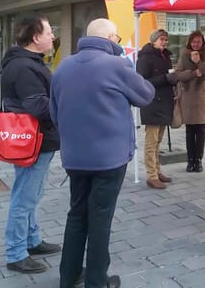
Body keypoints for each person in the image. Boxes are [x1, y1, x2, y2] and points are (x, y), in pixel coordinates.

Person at [51, 18, 154, 288]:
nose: (119, 43)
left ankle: (69, 275)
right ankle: (97, 282)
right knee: (100, 218)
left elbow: (54, 112)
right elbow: (145, 95)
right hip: (109, 158)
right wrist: (124, 59)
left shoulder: (63, 67)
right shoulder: (117, 65)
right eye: (117, 38)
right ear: (110, 37)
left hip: (74, 157)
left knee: (76, 214)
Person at [0, 15, 61, 275]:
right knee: (24, 197)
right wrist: (67, 102)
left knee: (31, 194)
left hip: (36, 141)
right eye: (49, 33)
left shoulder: (27, 63)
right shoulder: (25, 67)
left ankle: (31, 240)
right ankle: (16, 252)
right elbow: (37, 106)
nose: (53, 37)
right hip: (33, 141)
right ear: (35, 38)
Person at [136, 29, 177, 189]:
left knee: (158, 141)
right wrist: (165, 78)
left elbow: (167, 76)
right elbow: (142, 81)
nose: (164, 42)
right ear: (154, 40)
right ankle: (151, 175)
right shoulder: (145, 58)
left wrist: (173, 80)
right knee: (151, 142)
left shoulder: (165, 56)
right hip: (152, 102)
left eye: (166, 39)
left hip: (164, 102)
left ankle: (157, 171)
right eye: (162, 39)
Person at [175, 30, 205, 173]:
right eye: (193, 41)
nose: (196, 44)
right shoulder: (184, 54)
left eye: (198, 41)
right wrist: (193, 73)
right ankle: (190, 159)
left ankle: (198, 160)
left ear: (202, 42)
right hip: (188, 95)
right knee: (189, 129)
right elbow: (178, 74)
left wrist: (199, 62)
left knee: (201, 129)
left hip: (202, 96)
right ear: (189, 42)